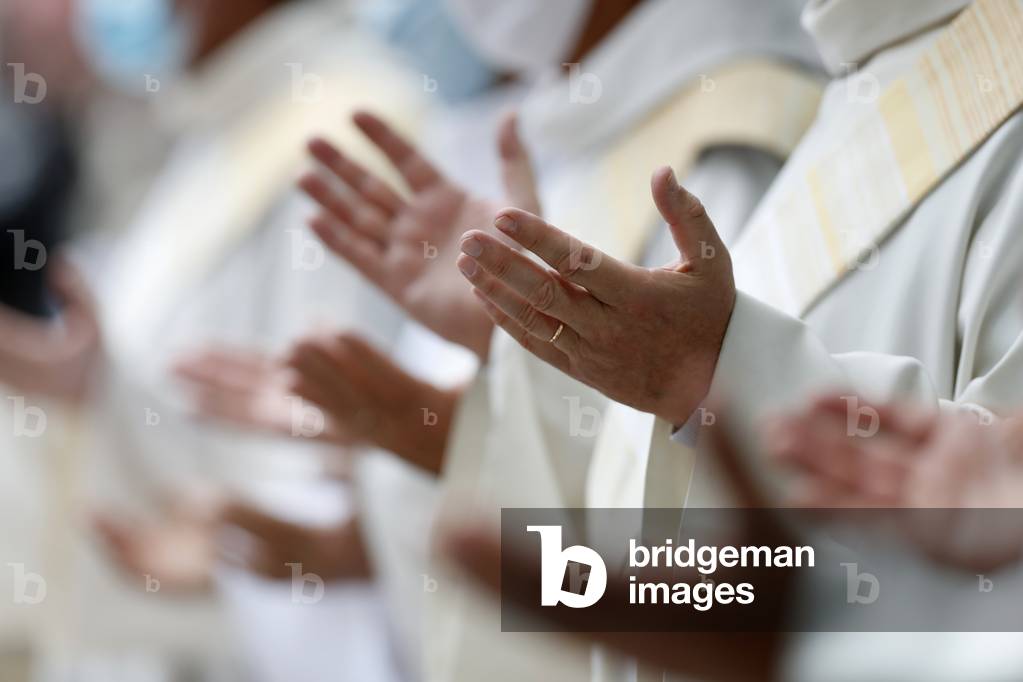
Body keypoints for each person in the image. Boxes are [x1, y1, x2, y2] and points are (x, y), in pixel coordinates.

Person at [462, 0, 1023, 678]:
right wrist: (519, 345)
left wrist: (722, 370)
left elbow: (993, 513)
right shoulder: (856, 88)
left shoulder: (745, 127)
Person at [0, 0, 428, 678]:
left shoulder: (346, 136)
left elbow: (327, 466)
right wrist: (79, 385)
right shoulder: (226, 127)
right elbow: (191, 406)